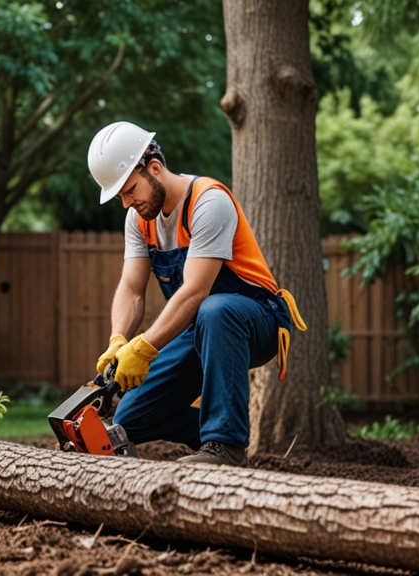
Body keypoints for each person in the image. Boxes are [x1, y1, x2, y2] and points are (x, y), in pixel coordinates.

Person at [87, 121, 307, 467]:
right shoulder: (139, 221)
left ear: (154, 168)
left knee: (216, 310)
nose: (126, 203)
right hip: (200, 326)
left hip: (257, 318)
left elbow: (195, 292)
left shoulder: (208, 201)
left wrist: (143, 348)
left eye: (129, 190)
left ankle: (226, 448)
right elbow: (131, 289)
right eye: (120, 196)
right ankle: (213, 436)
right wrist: (118, 340)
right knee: (130, 417)